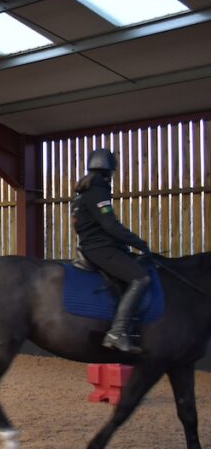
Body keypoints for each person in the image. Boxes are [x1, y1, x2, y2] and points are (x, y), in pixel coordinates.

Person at [72, 148, 152, 354]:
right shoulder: (98, 192)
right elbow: (110, 225)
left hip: (90, 247)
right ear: (109, 171)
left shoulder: (82, 194)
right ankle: (117, 331)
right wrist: (139, 243)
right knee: (141, 279)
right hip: (101, 249)